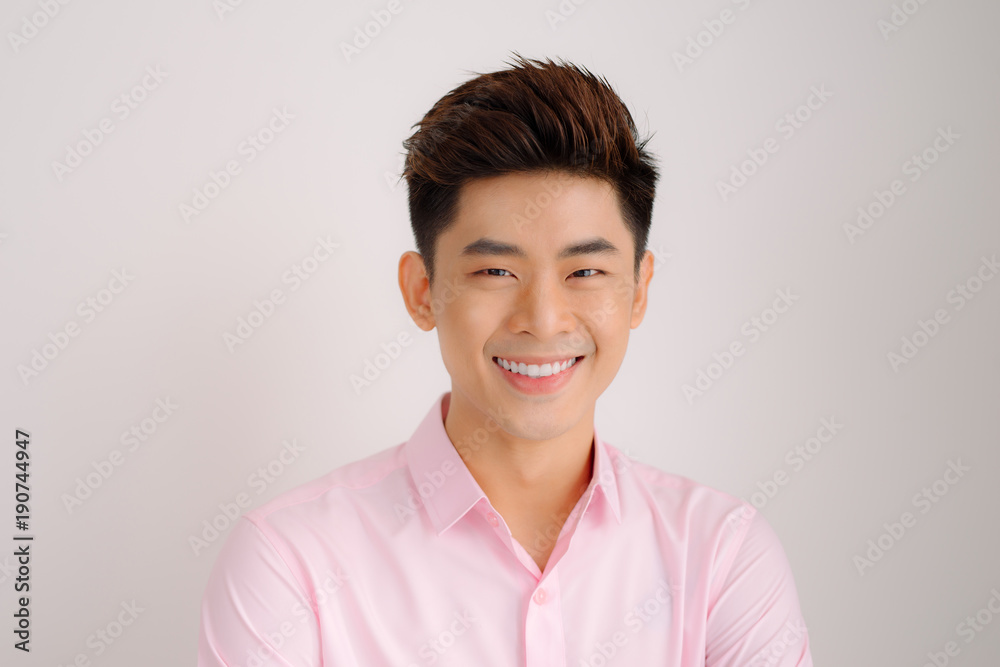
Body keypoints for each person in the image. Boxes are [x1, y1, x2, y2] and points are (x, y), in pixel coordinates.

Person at [198, 53, 814, 666]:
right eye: (496, 270)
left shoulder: (720, 555)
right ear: (422, 291)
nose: (544, 319)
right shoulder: (291, 565)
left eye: (585, 271)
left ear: (638, 290)